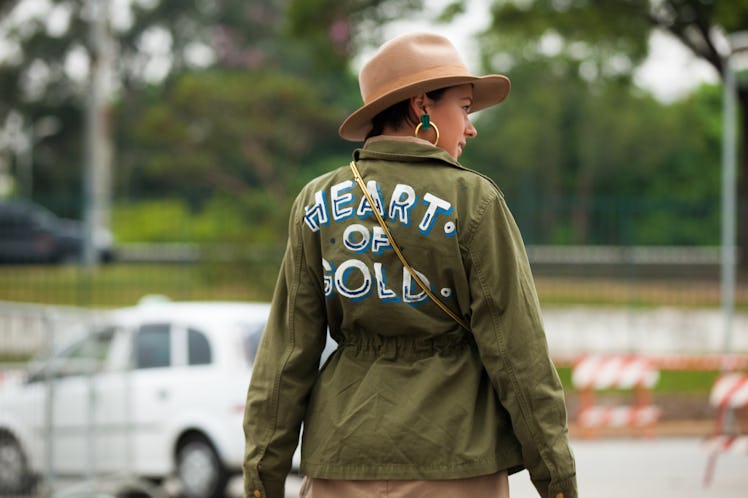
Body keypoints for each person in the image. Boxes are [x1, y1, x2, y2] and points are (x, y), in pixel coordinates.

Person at [243, 32, 577, 498]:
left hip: (342, 460)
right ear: (423, 105)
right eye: (463, 107)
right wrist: (558, 481)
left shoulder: (315, 201)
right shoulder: (473, 200)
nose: (471, 126)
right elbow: (519, 356)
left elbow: (285, 357)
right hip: (456, 460)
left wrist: (262, 481)